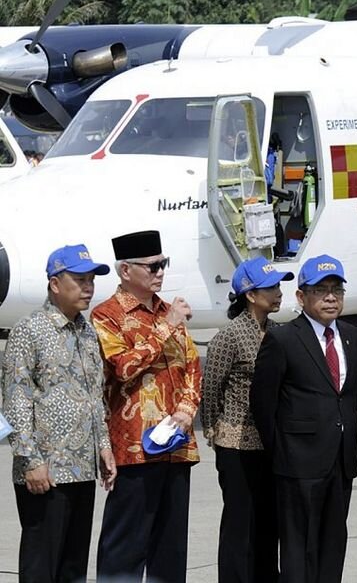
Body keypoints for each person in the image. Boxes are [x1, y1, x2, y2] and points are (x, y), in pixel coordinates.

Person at [1, 244, 117, 583]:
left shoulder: (86, 330)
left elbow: (95, 394)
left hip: (81, 467)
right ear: (55, 283)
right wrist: (31, 460)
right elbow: (15, 399)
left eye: (91, 280)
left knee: (73, 567)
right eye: (80, 279)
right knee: (42, 565)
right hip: (45, 471)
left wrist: (104, 446)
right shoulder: (30, 330)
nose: (89, 287)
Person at [91, 230, 202, 583]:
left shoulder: (170, 312)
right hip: (134, 448)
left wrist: (186, 411)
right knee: (124, 548)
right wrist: (165, 328)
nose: (160, 272)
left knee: (170, 551)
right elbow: (122, 367)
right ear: (125, 270)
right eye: (152, 266)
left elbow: (192, 367)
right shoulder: (106, 316)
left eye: (163, 264)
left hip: (176, 446)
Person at [250, 254, 357, 583]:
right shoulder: (284, 339)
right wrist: (284, 448)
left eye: (337, 290)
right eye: (321, 290)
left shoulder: (353, 337)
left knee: (333, 544)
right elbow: (263, 401)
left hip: (341, 460)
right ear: (301, 296)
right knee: (299, 548)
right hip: (298, 463)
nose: (330, 297)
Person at [202, 256, 295, 583]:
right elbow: (211, 387)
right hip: (236, 444)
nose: (278, 292)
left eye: (279, 285)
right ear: (250, 295)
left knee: (269, 522)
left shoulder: (279, 332)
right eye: (270, 287)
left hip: (270, 441)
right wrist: (215, 430)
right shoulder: (230, 336)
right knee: (240, 524)